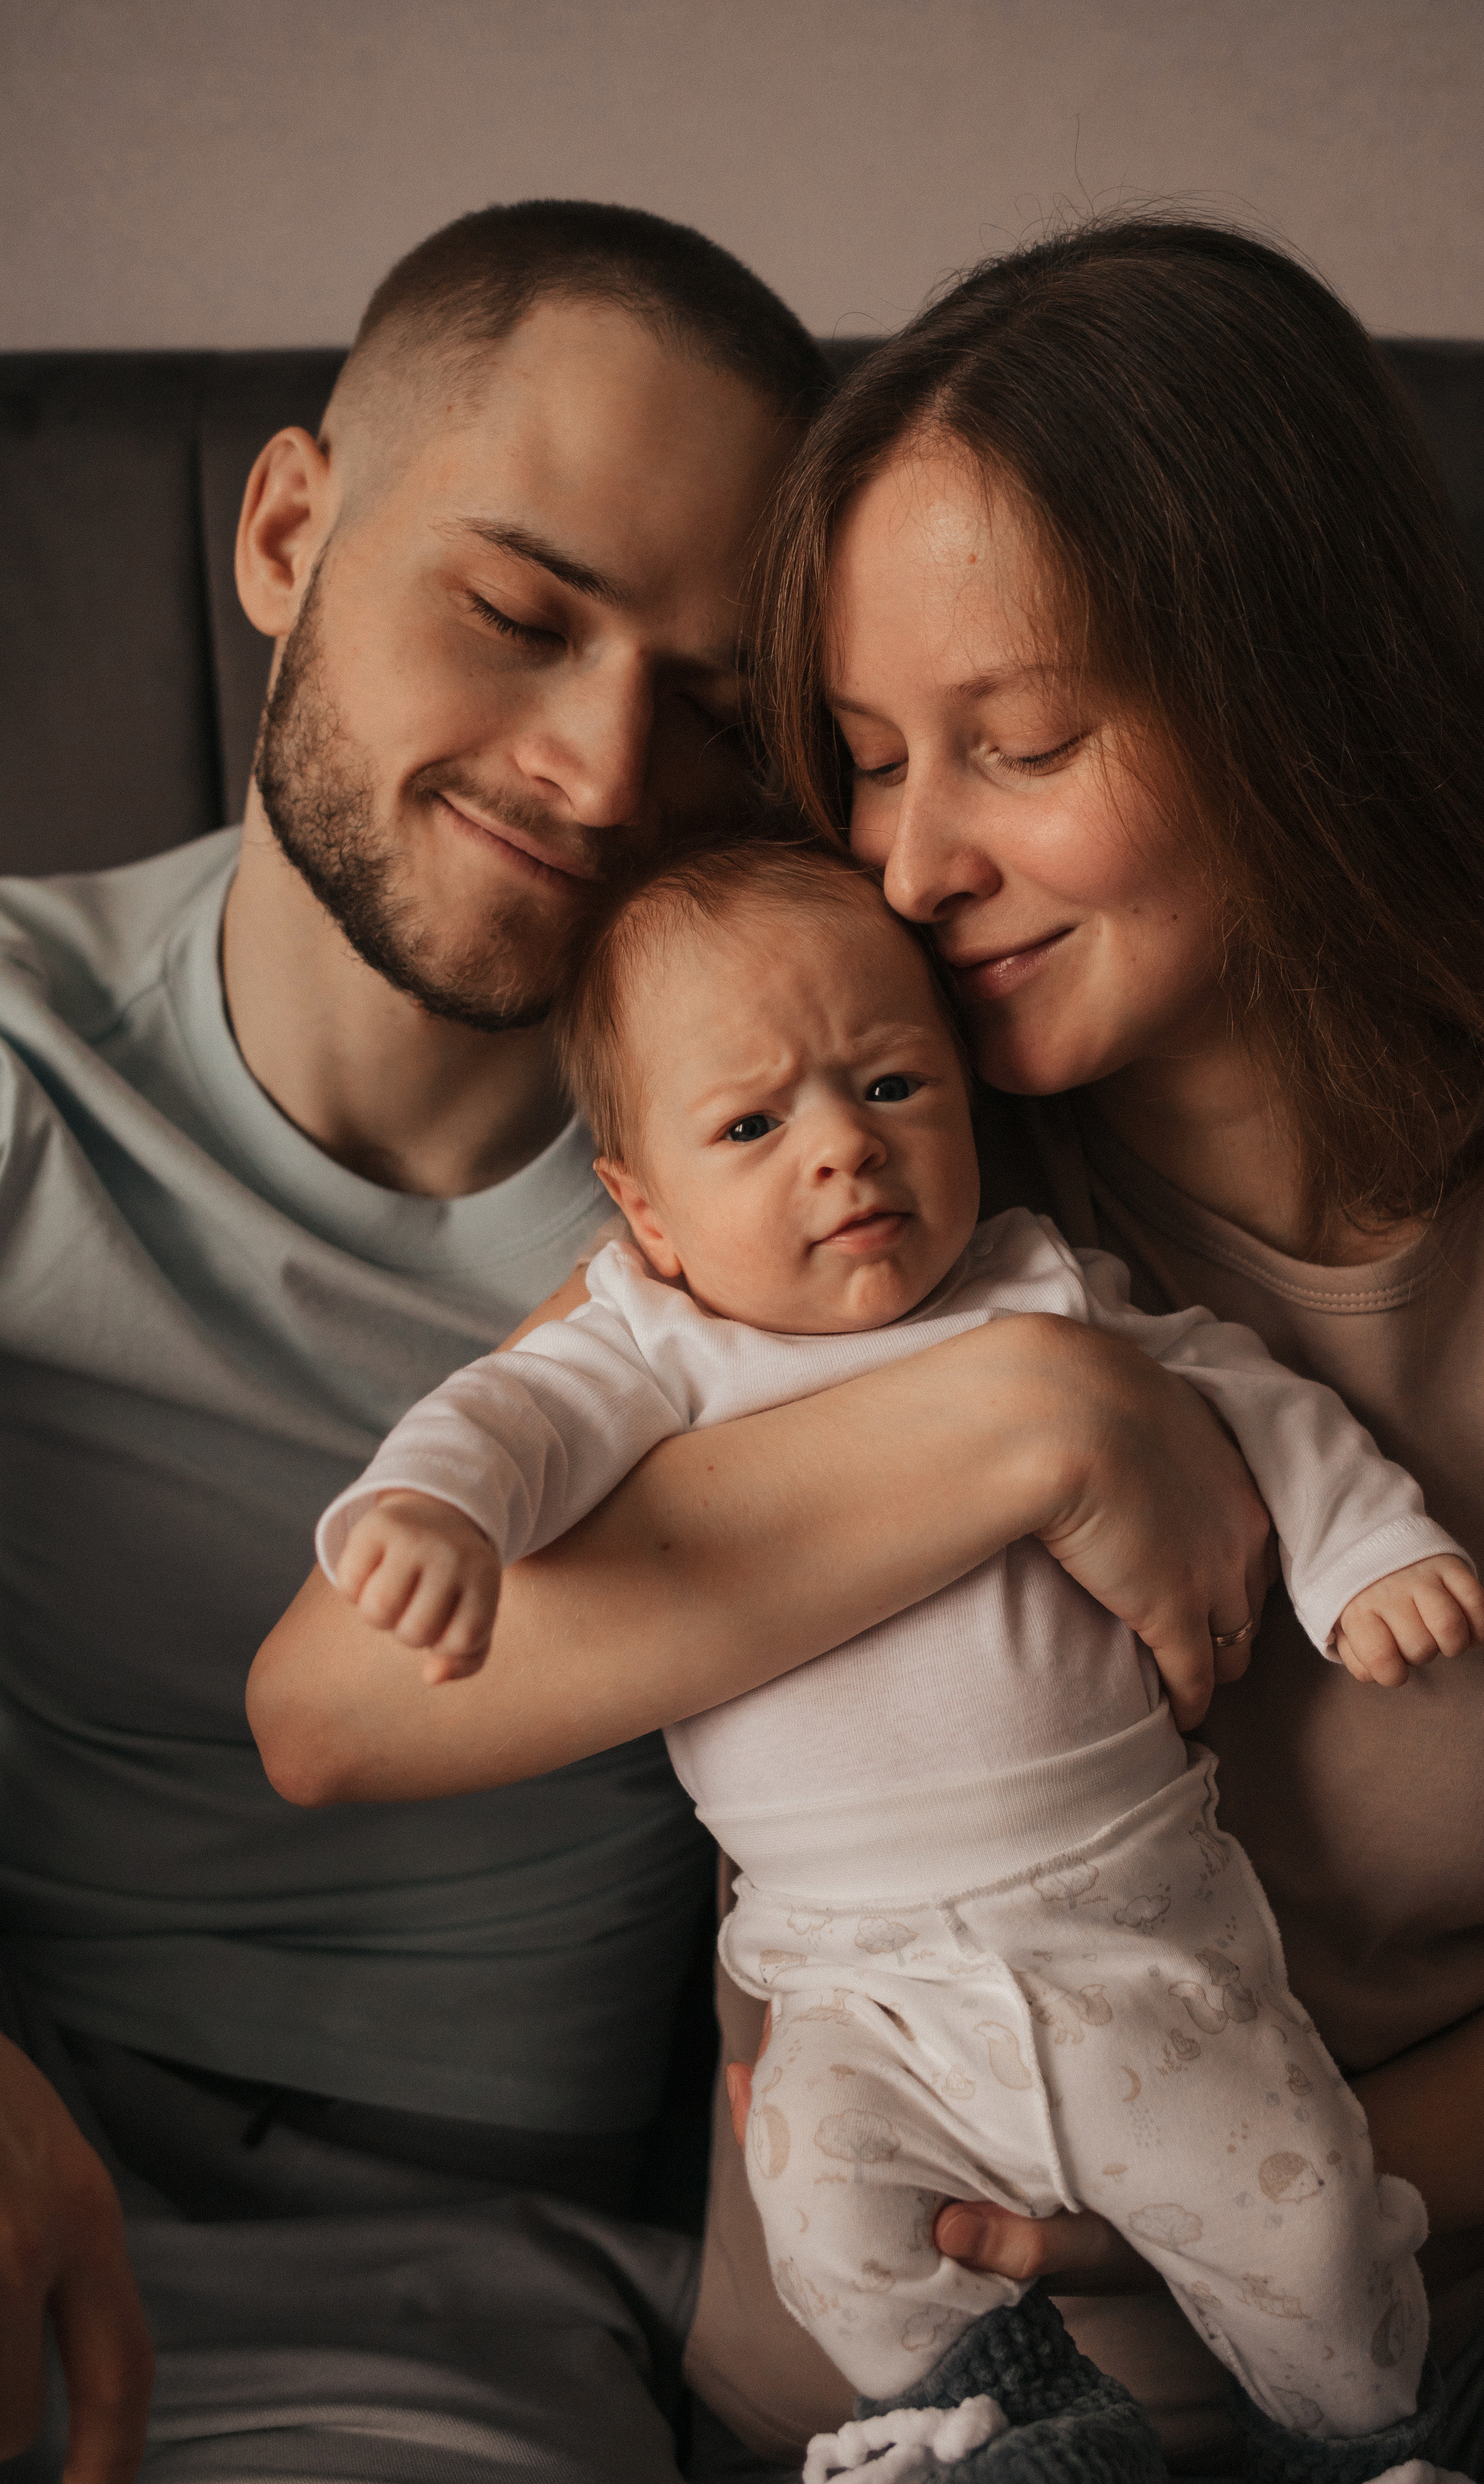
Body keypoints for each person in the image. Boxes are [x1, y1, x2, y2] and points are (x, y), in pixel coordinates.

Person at [250, 219, 1484, 2484]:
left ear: (1302, 703)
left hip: (1441, 2322)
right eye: (864, 755)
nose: (906, 866)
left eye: (1014, 748)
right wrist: (1033, 1409)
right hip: (920, 2396)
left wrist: (1228, 2189)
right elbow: (330, 1704)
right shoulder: (836, 1177)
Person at [0, 198, 1274, 2484]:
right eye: (515, 614)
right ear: (287, 530)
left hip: (480, 2277)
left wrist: (1033, 1385)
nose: (597, 773)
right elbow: (329, 1708)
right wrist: (1041, 1422)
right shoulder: (16, 1058)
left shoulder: (865, 1164)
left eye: (702, 708)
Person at [310, 832, 1484, 2478]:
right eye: (751, 1124)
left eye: (891, 1086)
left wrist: (1365, 1545)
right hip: (851, 1975)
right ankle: (984, 2423)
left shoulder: (1039, 1283)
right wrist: (435, 1512)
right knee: (822, 2186)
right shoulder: (655, 1346)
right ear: (643, 1208)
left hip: (1131, 1920)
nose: (842, 1153)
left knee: (1299, 2209)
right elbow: (505, 1420)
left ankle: (1357, 2442)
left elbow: (1245, 1390)